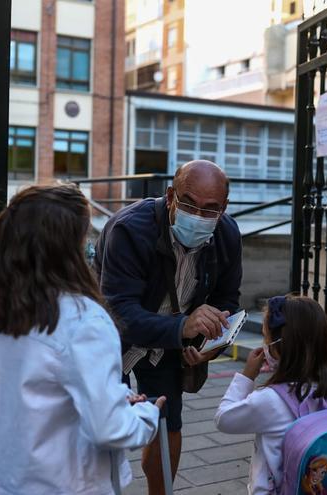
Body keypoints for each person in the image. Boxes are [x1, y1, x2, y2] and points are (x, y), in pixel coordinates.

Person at [0, 183, 164, 494]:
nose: (89, 248)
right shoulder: (82, 319)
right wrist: (146, 414)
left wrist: (112, 398)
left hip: (7, 478)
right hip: (65, 482)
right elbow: (109, 428)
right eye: (84, 237)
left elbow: (41, 391)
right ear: (65, 247)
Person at [95, 160, 243, 493]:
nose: (199, 215)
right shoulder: (130, 229)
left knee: (167, 423)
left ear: (224, 208)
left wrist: (208, 345)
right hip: (109, 337)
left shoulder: (228, 234)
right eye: (189, 203)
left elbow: (226, 302)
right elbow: (120, 312)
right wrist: (183, 327)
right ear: (170, 196)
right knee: (101, 431)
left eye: (210, 209)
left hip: (169, 342)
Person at [214, 295, 327, 494]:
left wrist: (246, 377)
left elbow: (223, 418)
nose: (264, 345)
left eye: (266, 338)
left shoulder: (270, 400)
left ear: (279, 347)